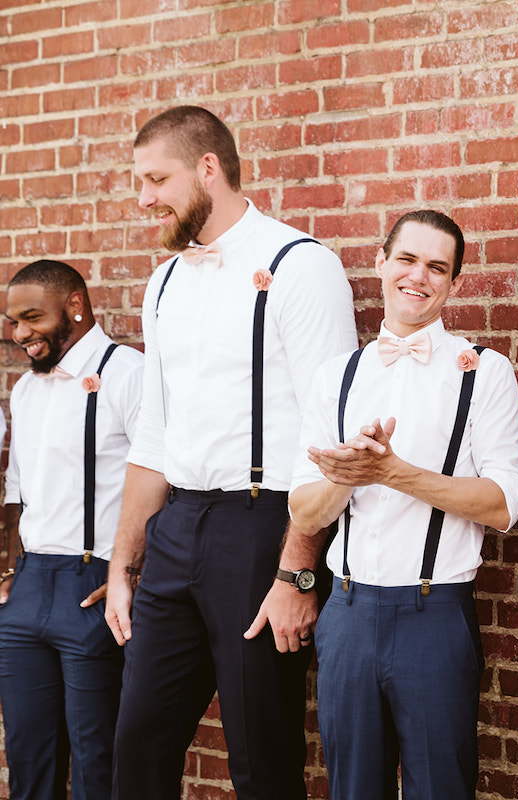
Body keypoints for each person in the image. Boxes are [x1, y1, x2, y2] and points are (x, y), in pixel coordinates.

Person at [105, 105, 358, 798]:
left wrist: (298, 575)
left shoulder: (300, 265)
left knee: (262, 754)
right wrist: (125, 561)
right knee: (137, 741)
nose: (144, 198)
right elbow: (153, 432)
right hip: (176, 528)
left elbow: (328, 435)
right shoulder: (164, 281)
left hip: (263, 529)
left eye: (156, 179)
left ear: (208, 169)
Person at [284, 209, 518, 799]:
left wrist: (392, 472)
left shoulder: (484, 373)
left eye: (436, 267)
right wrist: (351, 474)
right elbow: (304, 512)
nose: (418, 276)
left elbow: (502, 504)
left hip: (435, 615)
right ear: (381, 263)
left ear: (453, 283)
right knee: (353, 789)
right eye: (406, 259)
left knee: (441, 789)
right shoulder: (337, 377)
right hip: (345, 615)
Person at [0, 260, 141, 800]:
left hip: (94, 584)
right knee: (28, 756)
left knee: (95, 758)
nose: (21, 335)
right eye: (14, 322)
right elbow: (16, 492)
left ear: (75, 306)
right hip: (29, 586)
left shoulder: (129, 373)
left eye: (32, 317)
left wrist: (132, 569)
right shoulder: (27, 391)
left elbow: (164, 481)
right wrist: (11, 570)